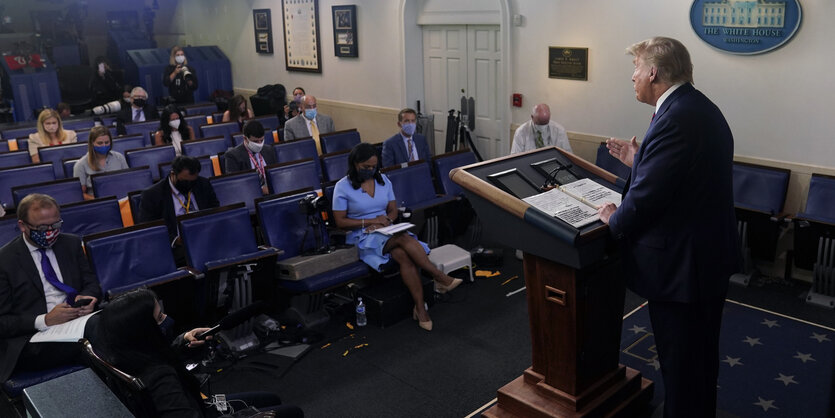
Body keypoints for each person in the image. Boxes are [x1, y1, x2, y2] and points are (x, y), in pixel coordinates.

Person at [597, 37, 738, 417]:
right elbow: (682, 177)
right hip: (702, 259)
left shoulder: (675, 117)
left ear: (654, 72)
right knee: (697, 363)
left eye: (636, 69)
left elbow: (646, 201)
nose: (633, 77)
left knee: (683, 367)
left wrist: (615, 218)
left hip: (684, 269)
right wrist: (639, 158)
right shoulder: (694, 107)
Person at [96, 288, 303, 418]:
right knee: (292, 413)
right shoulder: (160, 378)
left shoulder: (125, 354)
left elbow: (160, 356)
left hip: (197, 405)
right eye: (159, 318)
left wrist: (183, 341)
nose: (167, 319)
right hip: (200, 410)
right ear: (144, 330)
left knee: (270, 398)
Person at [332, 143, 462, 332]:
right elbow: (340, 221)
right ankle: (438, 276)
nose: (370, 170)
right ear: (354, 163)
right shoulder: (342, 187)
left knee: (403, 255)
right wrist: (369, 222)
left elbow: (392, 210)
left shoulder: (383, 180)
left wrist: (386, 220)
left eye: (373, 167)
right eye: (366, 167)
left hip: (386, 230)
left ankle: (420, 309)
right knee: (402, 239)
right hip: (361, 235)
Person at [0, 193, 101, 383]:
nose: (49, 232)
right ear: (22, 225)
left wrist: (89, 297)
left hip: (77, 322)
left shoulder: (70, 243)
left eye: (55, 226)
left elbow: (91, 283)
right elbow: (2, 322)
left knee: (127, 313)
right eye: (41, 228)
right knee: (98, 338)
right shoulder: (4, 261)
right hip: (33, 339)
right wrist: (45, 320)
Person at [138, 156, 219, 264]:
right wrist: (175, 240)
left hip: (206, 237)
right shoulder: (152, 195)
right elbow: (149, 228)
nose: (189, 185)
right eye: (185, 181)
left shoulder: (203, 184)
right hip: (176, 246)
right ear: (173, 174)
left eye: (193, 181)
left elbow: (215, 210)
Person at [72, 126, 129, 200]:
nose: (104, 145)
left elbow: (128, 182)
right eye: (100, 143)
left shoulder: (119, 157)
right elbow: (80, 194)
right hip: (98, 202)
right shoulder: (80, 165)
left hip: (121, 199)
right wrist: (98, 201)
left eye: (107, 142)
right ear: (92, 143)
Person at [225, 120, 277, 195]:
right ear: (245, 138)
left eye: (261, 140)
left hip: (272, 193)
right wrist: (260, 190)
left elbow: (275, 176)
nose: (259, 144)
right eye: (255, 141)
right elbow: (234, 184)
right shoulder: (232, 156)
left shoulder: (269, 150)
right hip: (249, 194)